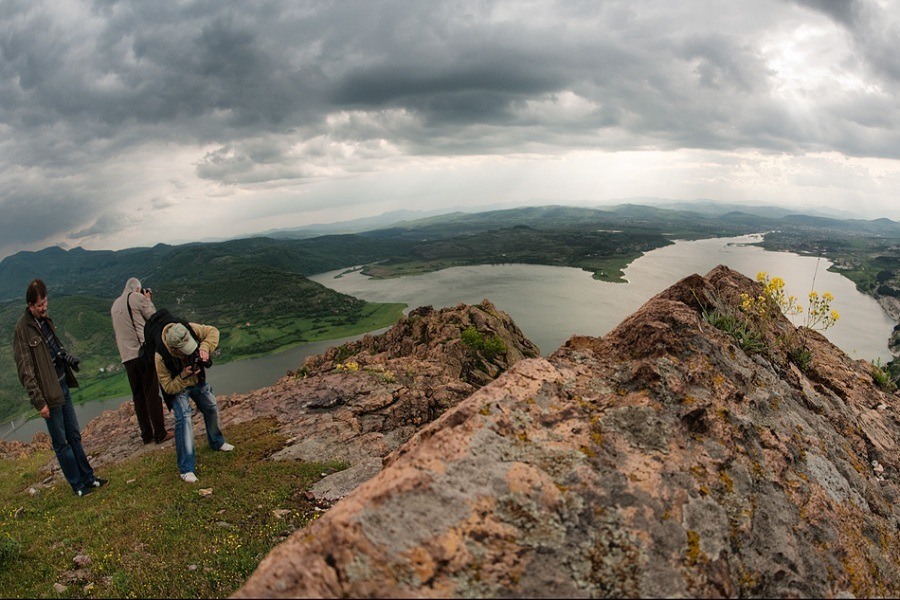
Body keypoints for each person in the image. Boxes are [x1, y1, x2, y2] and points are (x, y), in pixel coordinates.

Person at [12, 279, 107, 497]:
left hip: (62, 384)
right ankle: (78, 486)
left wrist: (66, 357)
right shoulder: (22, 331)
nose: (44, 307)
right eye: (40, 305)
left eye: (45, 303)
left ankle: (89, 478)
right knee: (61, 442)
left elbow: (54, 351)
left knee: (74, 435)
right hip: (48, 394)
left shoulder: (44, 321)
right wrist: (39, 401)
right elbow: (25, 370)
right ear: (30, 305)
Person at [150, 316, 233, 483]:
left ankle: (217, 441)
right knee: (184, 419)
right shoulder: (160, 357)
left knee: (211, 406)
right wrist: (184, 376)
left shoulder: (188, 328)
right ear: (174, 349)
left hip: (196, 379)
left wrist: (204, 348)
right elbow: (167, 387)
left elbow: (213, 331)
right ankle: (186, 469)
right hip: (179, 386)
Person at [110, 278, 172, 444]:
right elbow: (154, 316)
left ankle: (146, 435)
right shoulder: (136, 297)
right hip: (141, 353)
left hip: (126, 358)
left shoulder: (114, 305)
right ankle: (160, 433)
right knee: (151, 393)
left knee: (138, 397)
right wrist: (148, 300)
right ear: (136, 288)